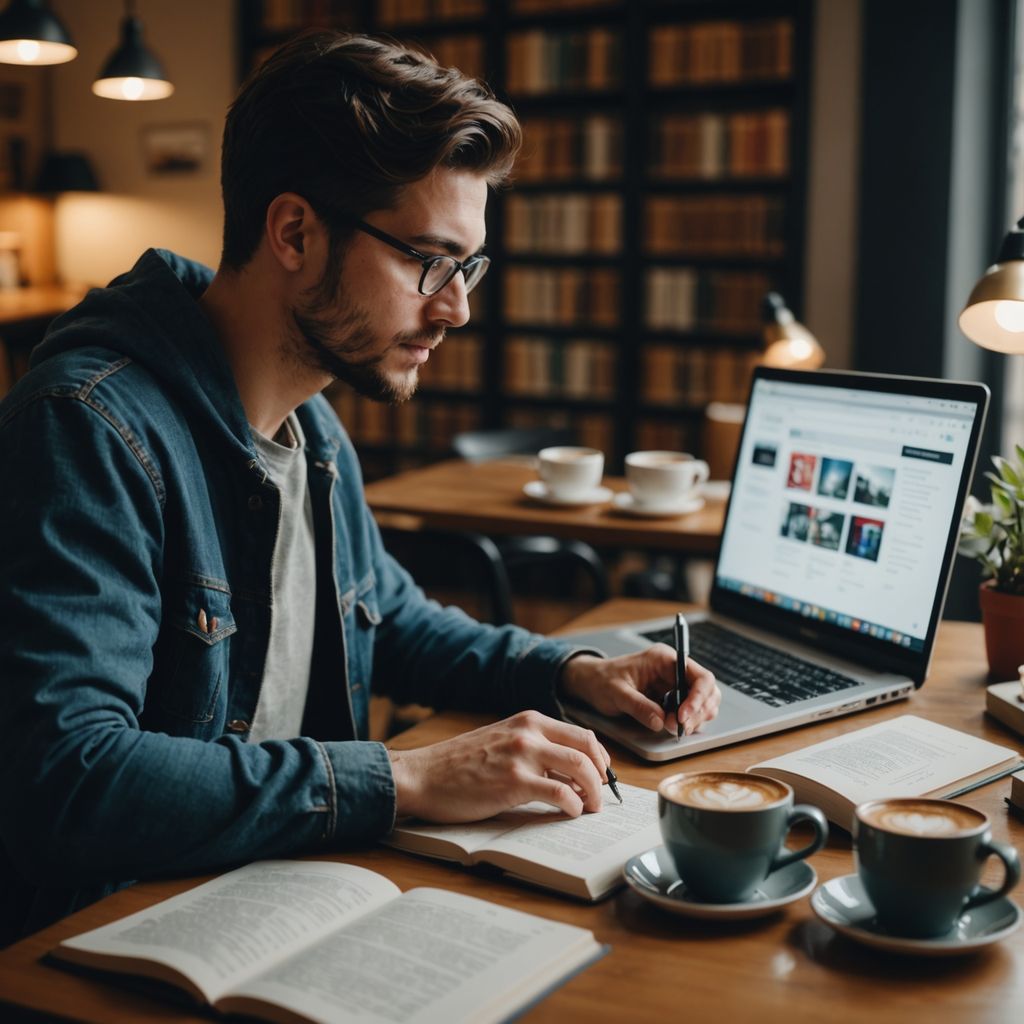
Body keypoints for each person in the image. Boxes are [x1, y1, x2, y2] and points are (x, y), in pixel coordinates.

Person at [0, 31, 719, 943]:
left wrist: (573, 671)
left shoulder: (311, 424)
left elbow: (386, 616)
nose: (456, 306)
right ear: (294, 232)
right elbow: (66, 781)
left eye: (469, 266)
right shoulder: (88, 429)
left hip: (280, 892)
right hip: (109, 936)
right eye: (430, 260)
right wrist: (407, 778)